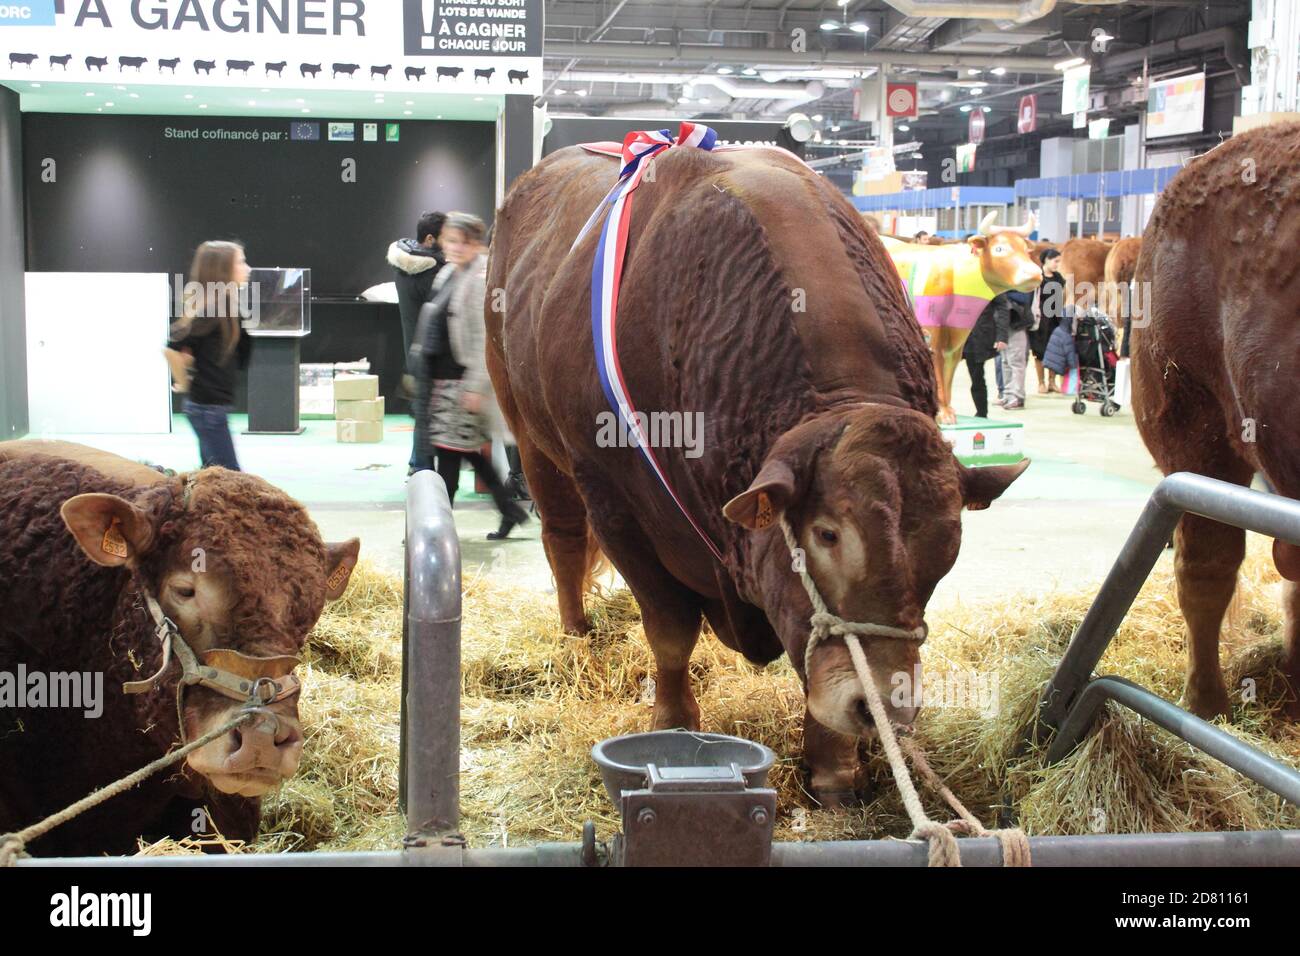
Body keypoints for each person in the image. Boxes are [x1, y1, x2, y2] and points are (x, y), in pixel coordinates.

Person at [410, 212, 529, 540]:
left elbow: (483, 341)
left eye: (462, 242)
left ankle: (435, 530)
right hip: (443, 383)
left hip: (463, 384)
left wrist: (477, 386)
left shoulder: (480, 280)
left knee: (449, 455)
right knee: (469, 455)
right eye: (450, 241)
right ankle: (510, 511)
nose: (455, 247)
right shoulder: (447, 273)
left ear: (476, 244)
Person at [167, 240, 251, 470]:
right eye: (241, 262)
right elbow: (172, 348)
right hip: (208, 410)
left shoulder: (225, 308)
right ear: (223, 269)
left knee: (215, 476)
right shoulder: (211, 310)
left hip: (211, 408)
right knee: (230, 480)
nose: (247, 268)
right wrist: (183, 381)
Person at [389, 211, 446, 474]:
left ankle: (417, 462)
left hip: (412, 349)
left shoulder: (403, 264)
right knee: (428, 412)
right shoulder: (433, 272)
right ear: (431, 238)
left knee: (423, 409)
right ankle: (421, 466)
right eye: (447, 238)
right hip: (433, 351)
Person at [961, 292, 1011, 419]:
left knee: (977, 377)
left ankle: (981, 414)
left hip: (978, 335)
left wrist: (1002, 336)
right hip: (953, 332)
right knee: (941, 375)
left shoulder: (987, 277)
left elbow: (1002, 306)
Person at [1029, 248, 1066, 393]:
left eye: (1059, 261)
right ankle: (1041, 382)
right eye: (1055, 261)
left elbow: (1061, 299)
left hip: (1055, 320)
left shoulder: (1058, 278)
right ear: (1046, 260)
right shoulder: (1037, 277)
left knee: (1055, 351)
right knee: (1039, 352)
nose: (1057, 264)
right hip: (1040, 320)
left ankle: (1052, 381)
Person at [999, 288, 1034, 410]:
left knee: (1016, 362)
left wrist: (1003, 292)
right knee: (1005, 361)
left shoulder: (1021, 283)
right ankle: (1008, 394)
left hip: (1017, 323)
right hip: (1003, 324)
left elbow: (1024, 297)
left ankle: (1017, 397)